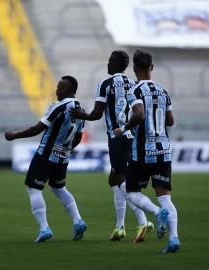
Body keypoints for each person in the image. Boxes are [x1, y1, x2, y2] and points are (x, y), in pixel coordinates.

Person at [71, 50, 153, 243]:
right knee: (113, 180)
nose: (107, 64)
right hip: (133, 138)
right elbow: (140, 112)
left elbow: (97, 114)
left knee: (121, 181)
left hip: (117, 138)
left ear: (116, 64)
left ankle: (143, 221)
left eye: (110, 61)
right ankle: (120, 227)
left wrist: (80, 114)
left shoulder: (105, 84)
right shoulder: (134, 84)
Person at [4, 75, 87, 243]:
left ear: (70, 90)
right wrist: (66, 150)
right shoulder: (80, 110)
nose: (56, 89)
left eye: (60, 87)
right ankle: (78, 221)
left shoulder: (58, 107)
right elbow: (78, 137)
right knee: (59, 188)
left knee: (33, 188)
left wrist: (14, 135)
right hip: (63, 157)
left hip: (46, 154)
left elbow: (37, 129)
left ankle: (44, 229)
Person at [114, 49, 180, 253]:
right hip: (164, 151)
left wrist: (123, 128)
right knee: (165, 196)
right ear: (151, 67)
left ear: (134, 69)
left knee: (131, 192)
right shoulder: (163, 90)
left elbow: (139, 113)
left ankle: (156, 213)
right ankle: (174, 239)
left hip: (143, 152)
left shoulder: (134, 90)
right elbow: (170, 121)